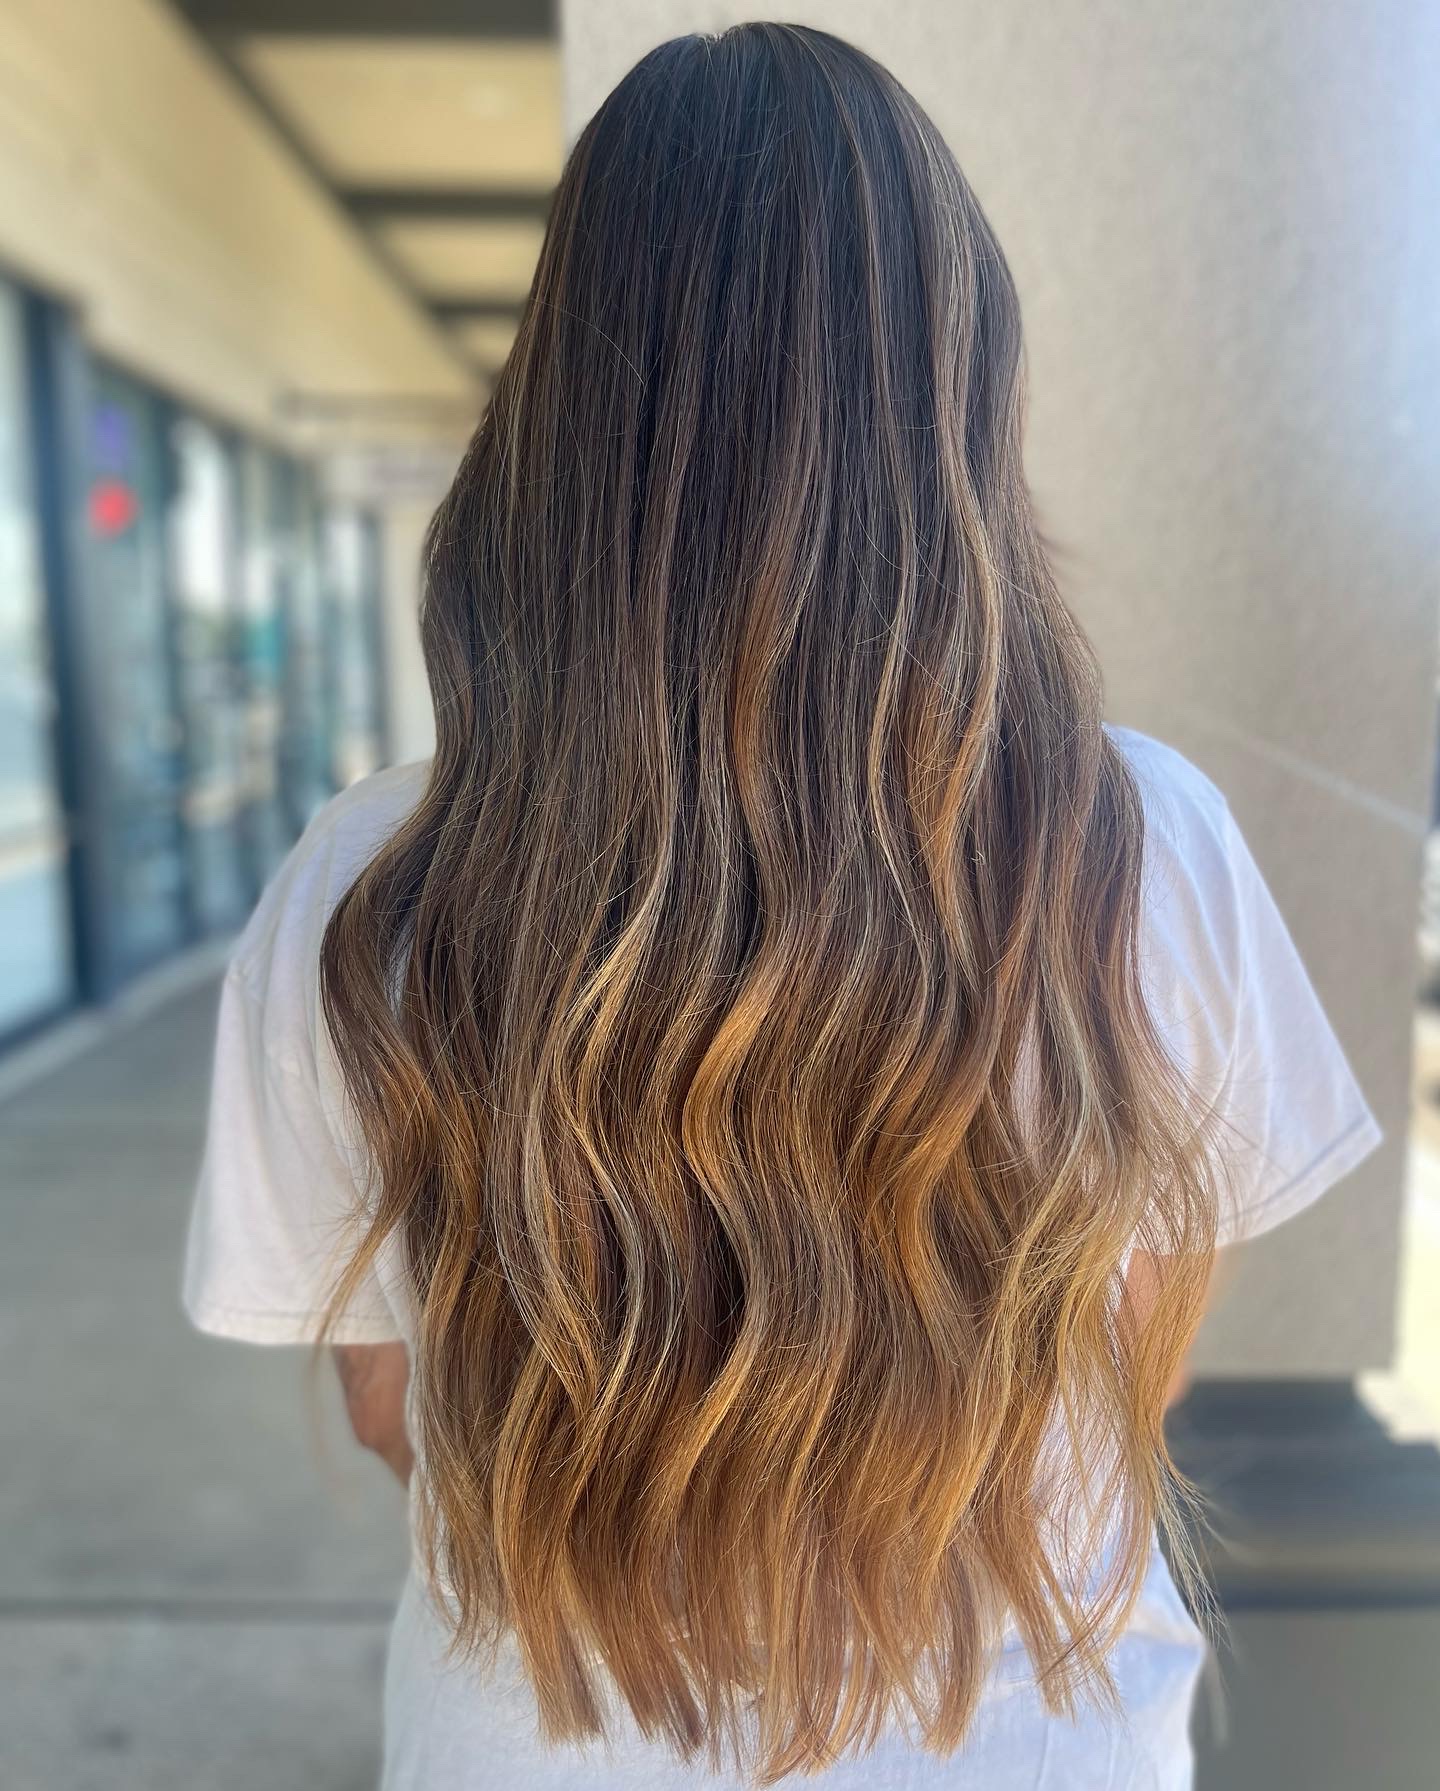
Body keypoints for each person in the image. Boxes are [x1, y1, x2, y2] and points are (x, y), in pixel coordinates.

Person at [182, 24, 1382, 1790]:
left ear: (556, 415)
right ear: (956, 398)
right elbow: (1149, 1339)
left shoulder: (371, 885)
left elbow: (392, 1406)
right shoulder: (1140, 843)